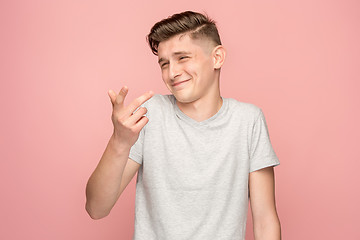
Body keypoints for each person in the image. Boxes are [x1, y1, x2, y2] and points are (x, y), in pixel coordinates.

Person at [85, 10, 281, 240]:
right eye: (164, 64)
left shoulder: (248, 121)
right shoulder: (150, 114)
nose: (172, 73)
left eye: (182, 58)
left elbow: (266, 220)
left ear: (217, 57)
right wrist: (118, 143)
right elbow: (96, 209)